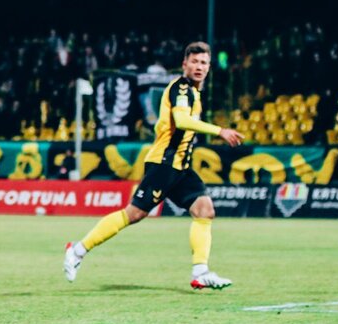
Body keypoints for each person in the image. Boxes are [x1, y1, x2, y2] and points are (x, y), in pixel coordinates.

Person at [63, 42, 244, 290]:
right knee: (134, 214)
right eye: (194, 62)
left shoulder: (194, 93)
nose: (199, 67)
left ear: (209, 67)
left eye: (203, 63)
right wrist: (219, 131)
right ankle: (77, 250)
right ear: (184, 64)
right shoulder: (181, 88)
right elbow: (181, 120)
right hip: (164, 163)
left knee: (204, 209)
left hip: (180, 167)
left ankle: (200, 272)